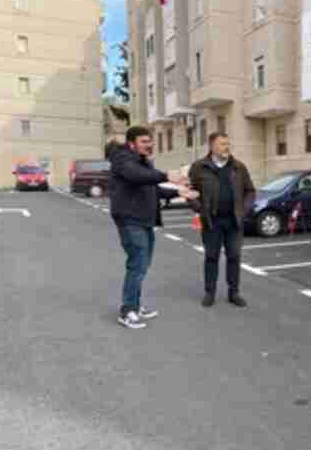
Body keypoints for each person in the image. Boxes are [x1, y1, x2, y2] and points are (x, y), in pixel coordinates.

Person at [109, 126, 196, 329]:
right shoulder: (123, 159)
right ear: (132, 143)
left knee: (143, 265)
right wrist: (167, 175)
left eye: (150, 141)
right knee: (137, 264)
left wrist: (179, 193)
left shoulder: (143, 163)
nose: (149, 145)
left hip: (144, 220)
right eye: (144, 141)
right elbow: (136, 175)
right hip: (131, 220)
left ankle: (135, 306)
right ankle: (127, 310)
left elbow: (153, 189)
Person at [188, 132, 256, 308]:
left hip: (234, 221)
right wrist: (198, 208)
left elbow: (250, 190)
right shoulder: (199, 167)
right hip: (212, 221)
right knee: (211, 257)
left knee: (234, 256)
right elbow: (189, 191)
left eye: (228, 144)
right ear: (212, 146)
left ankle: (234, 293)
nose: (227, 147)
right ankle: (209, 292)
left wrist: (244, 209)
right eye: (222, 144)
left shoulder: (238, 167)